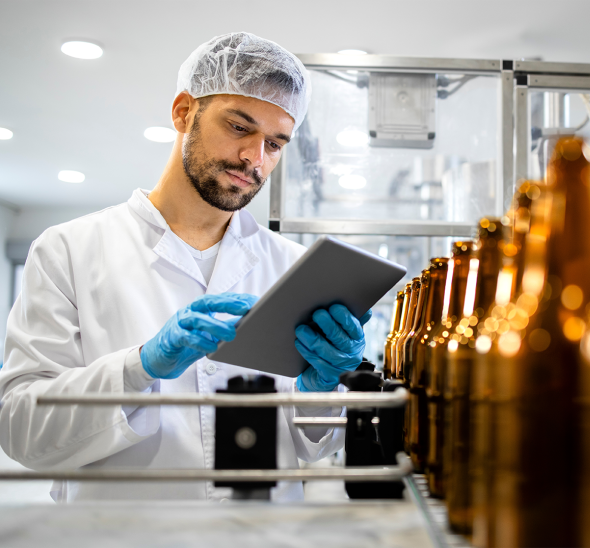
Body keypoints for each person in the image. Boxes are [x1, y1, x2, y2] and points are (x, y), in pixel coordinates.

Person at [0, 32, 370, 502]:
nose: (254, 159)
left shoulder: (292, 267)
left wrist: (319, 391)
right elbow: (21, 431)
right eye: (239, 127)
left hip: (262, 535)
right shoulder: (68, 250)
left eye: (275, 144)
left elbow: (312, 448)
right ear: (183, 112)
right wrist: (140, 367)